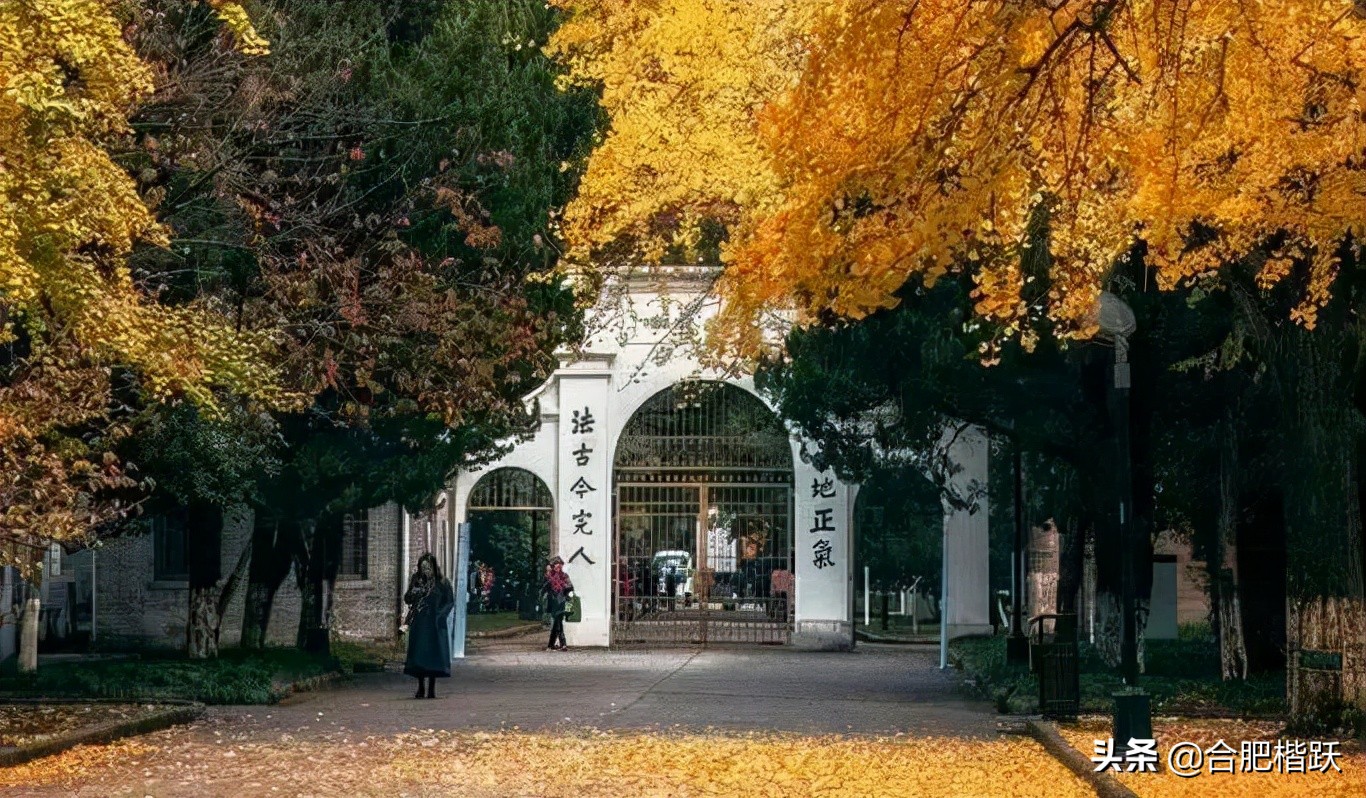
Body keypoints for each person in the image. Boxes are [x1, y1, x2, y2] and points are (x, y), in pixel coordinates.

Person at [403, 553, 455, 698]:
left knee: (434, 654)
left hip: (436, 623)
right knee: (420, 654)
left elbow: (449, 601)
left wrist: (441, 615)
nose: (425, 570)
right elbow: (407, 599)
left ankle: (431, 688)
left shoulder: (442, 582)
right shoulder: (417, 580)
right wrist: (414, 591)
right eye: (423, 567)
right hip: (420, 622)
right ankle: (421, 687)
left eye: (428, 567)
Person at [540, 556, 575, 651]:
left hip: (561, 601)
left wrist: (567, 593)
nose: (558, 567)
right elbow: (543, 589)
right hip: (553, 601)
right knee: (558, 622)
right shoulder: (548, 576)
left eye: (560, 565)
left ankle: (555, 645)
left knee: (557, 621)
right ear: (552, 566)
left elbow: (570, 587)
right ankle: (559, 644)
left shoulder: (564, 576)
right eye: (556, 565)